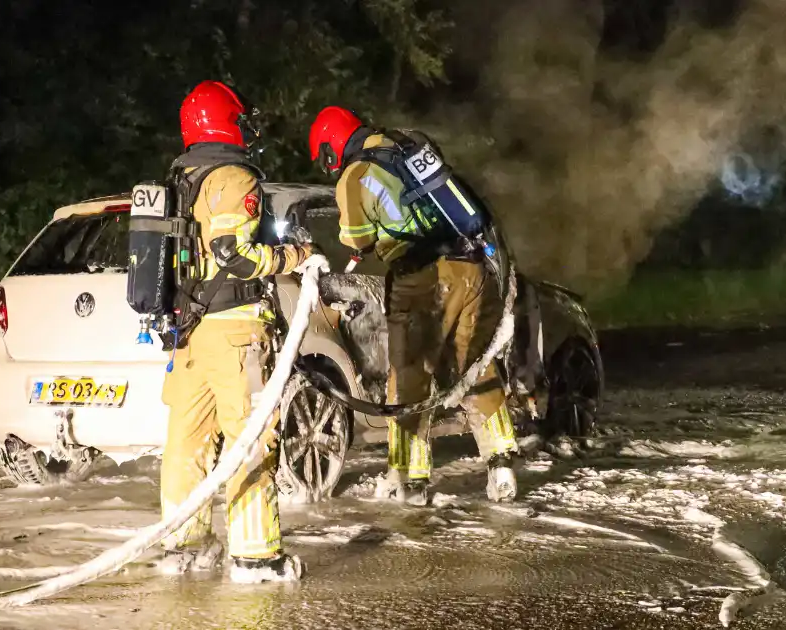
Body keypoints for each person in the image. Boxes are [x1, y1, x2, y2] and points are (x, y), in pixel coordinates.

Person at [307, 105, 519, 506]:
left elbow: (356, 240)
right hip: (470, 267)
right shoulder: (405, 146)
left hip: (420, 275)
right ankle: (502, 460)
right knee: (473, 361)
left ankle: (409, 477)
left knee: (408, 372)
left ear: (330, 147)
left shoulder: (354, 175)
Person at [157, 81, 324, 583]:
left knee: (186, 441)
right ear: (227, 122)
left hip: (189, 331)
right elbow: (237, 255)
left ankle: (182, 546)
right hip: (234, 333)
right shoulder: (232, 176)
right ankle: (256, 555)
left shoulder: (180, 178)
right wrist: (297, 255)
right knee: (250, 437)